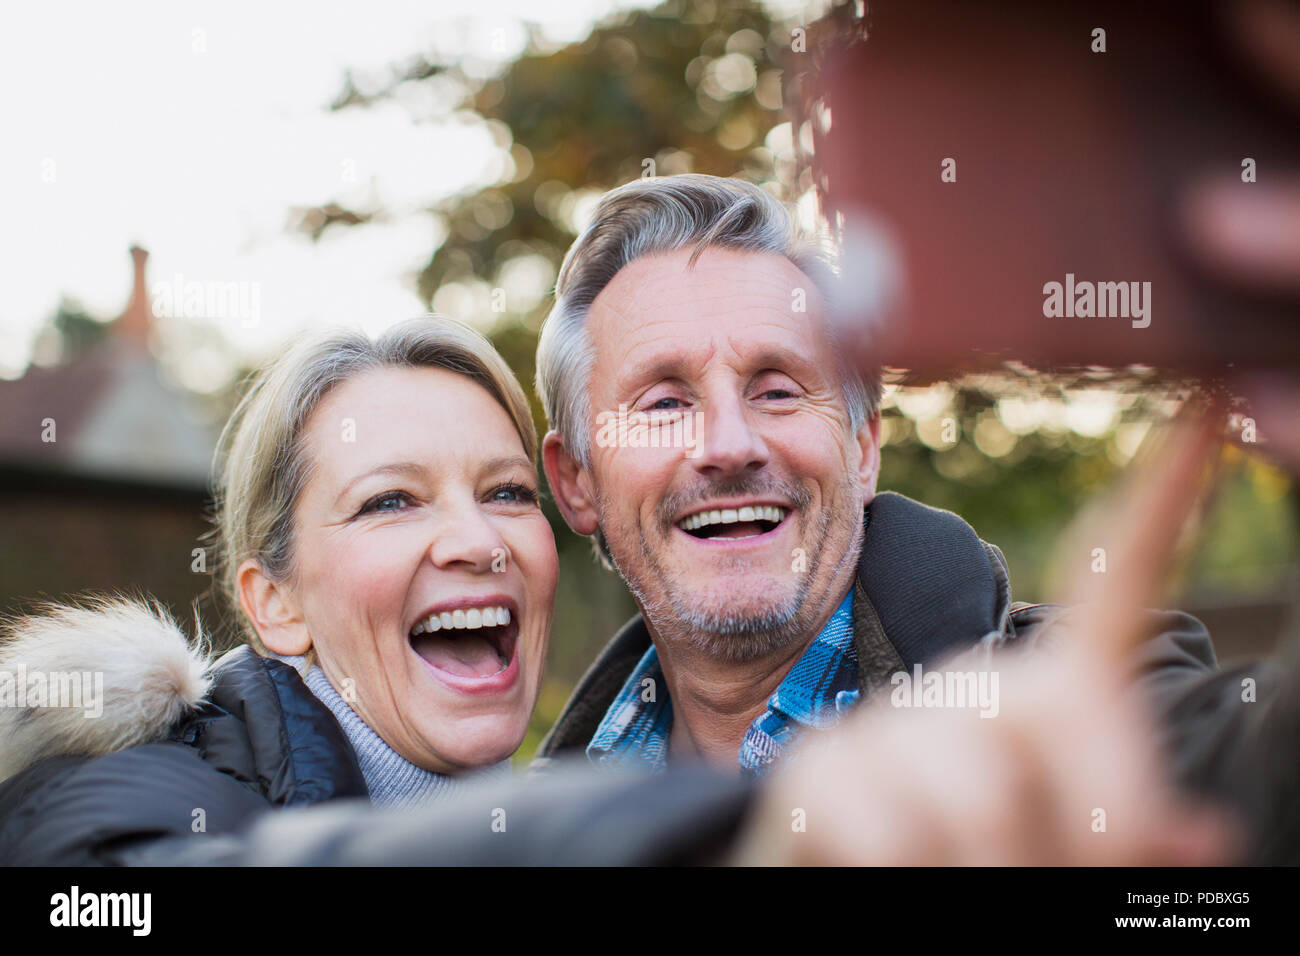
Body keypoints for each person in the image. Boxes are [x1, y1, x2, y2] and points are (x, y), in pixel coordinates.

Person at [0, 316, 561, 862]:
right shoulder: (129, 818)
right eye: (389, 501)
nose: (480, 540)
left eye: (508, 491)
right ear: (276, 604)